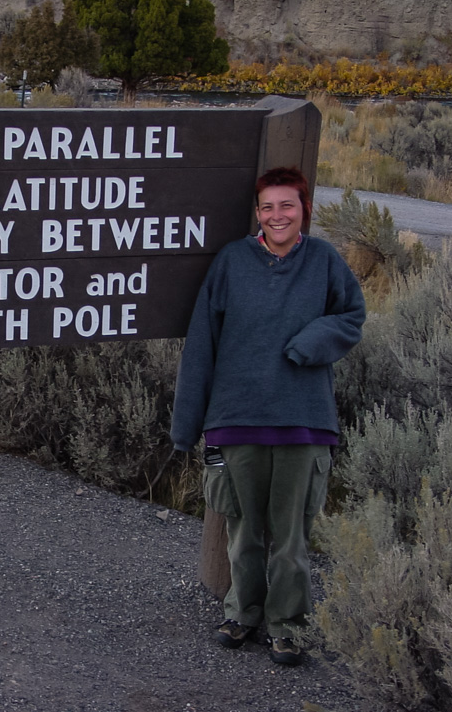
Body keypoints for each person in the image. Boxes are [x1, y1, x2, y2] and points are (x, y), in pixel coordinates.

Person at [170, 167, 365, 665]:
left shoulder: (323, 260)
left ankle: (288, 625)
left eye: (287, 206)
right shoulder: (232, 262)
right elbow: (201, 346)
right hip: (236, 420)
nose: (277, 215)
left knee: (292, 536)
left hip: (304, 421)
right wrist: (186, 427)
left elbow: (352, 315)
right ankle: (243, 613)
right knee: (242, 531)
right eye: (268, 207)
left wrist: (309, 344)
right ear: (258, 212)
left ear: (305, 210)